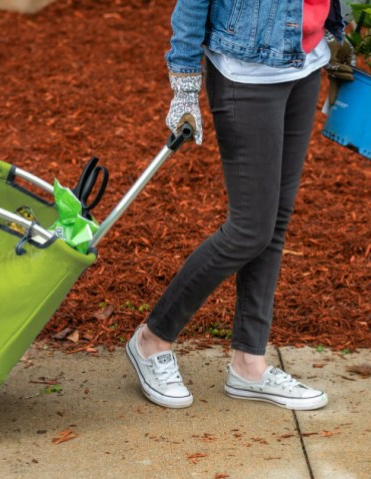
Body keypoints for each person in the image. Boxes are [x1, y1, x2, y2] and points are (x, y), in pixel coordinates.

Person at [125, 0, 353, 410]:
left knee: (275, 223)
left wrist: (345, 30)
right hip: (246, 74)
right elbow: (193, 4)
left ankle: (249, 363)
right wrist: (184, 85)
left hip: (305, 64)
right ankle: (151, 339)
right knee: (250, 228)